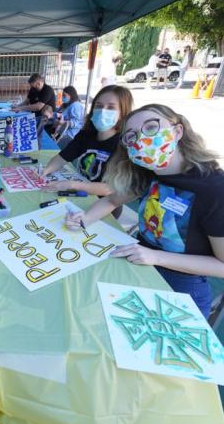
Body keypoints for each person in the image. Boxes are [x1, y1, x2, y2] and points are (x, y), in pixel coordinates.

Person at [65, 104, 224, 318]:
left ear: (177, 131)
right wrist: (84, 219)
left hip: (182, 286)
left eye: (151, 127)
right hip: (139, 265)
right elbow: (112, 201)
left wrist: (156, 257)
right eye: (131, 137)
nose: (141, 140)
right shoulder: (149, 173)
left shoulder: (214, 188)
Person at [41, 85, 133, 197]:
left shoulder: (123, 145)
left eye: (111, 108)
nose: (103, 111)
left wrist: (72, 185)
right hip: (78, 195)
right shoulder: (85, 135)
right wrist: (45, 171)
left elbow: (110, 188)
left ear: (122, 113)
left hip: (102, 204)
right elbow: (62, 158)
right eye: (98, 106)